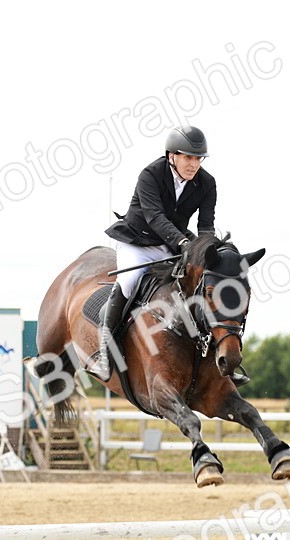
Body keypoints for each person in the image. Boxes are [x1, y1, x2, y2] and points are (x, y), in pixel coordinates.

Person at [93, 125, 217, 380]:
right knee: (128, 282)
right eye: (188, 157)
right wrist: (184, 244)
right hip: (137, 242)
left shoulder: (207, 183)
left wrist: (208, 251)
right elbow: (154, 217)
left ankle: (217, 355)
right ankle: (106, 353)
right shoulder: (150, 174)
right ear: (172, 156)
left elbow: (205, 225)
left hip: (170, 245)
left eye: (198, 158)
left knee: (201, 280)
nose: (194, 164)